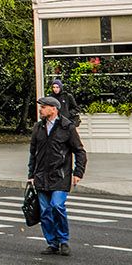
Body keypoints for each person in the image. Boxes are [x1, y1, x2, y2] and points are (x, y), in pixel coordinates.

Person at [27, 96, 88, 256]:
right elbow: (33, 153)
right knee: (45, 211)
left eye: (43, 107)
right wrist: (31, 174)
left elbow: (80, 151)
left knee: (57, 206)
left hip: (60, 175)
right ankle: (52, 242)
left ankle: (63, 240)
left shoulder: (67, 127)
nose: (40, 110)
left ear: (53, 109)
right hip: (41, 176)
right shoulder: (38, 128)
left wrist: (78, 172)